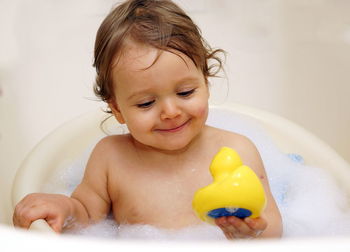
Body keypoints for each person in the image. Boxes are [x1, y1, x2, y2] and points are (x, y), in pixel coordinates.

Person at [13, 0, 282, 240]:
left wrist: (252, 232)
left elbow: (273, 228)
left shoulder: (237, 150)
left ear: (206, 83)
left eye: (186, 92)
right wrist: (63, 207)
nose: (170, 111)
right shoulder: (110, 158)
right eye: (146, 103)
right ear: (117, 109)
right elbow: (85, 216)